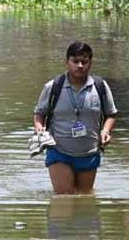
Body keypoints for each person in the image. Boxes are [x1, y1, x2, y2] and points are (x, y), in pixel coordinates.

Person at [33, 41, 118, 194]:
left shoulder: (100, 86)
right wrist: (40, 132)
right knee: (64, 198)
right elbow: (39, 114)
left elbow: (110, 114)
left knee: (85, 198)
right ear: (67, 62)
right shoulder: (53, 86)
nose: (80, 66)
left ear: (90, 63)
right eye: (75, 61)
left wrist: (105, 131)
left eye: (84, 61)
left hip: (90, 152)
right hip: (59, 151)